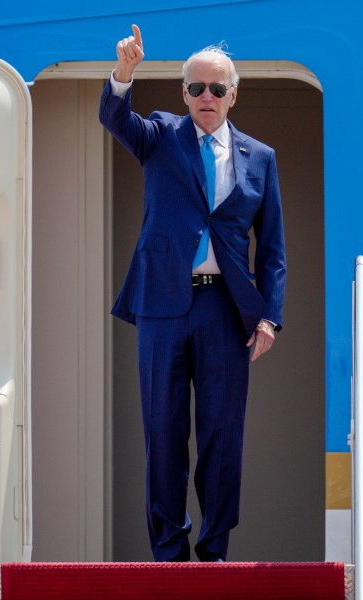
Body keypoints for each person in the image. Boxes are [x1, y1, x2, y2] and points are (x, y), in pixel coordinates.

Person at [100, 24, 286, 562]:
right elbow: (115, 118)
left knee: (222, 435)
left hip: (227, 311)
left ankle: (215, 551)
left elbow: (271, 249)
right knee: (163, 430)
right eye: (197, 88)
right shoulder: (160, 134)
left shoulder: (261, 157)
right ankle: (168, 553)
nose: (208, 97)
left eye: (218, 89)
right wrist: (123, 74)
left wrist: (269, 317)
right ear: (183, 94)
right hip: (162, 304)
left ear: (233, 95)